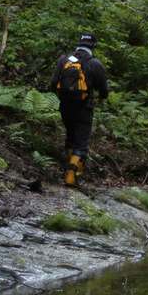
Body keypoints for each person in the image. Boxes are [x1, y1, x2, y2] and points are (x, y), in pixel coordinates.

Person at [50, 33, 109, 187]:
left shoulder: (64, 60)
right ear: (93, 46)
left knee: (70, 137)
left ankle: (68, 169)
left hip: (65, 106)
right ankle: (71, 177)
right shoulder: (95, 63)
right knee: (81, 142)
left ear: (79, 44)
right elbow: (104, 90)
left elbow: (53, 83)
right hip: (84, 108)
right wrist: (100, 97)